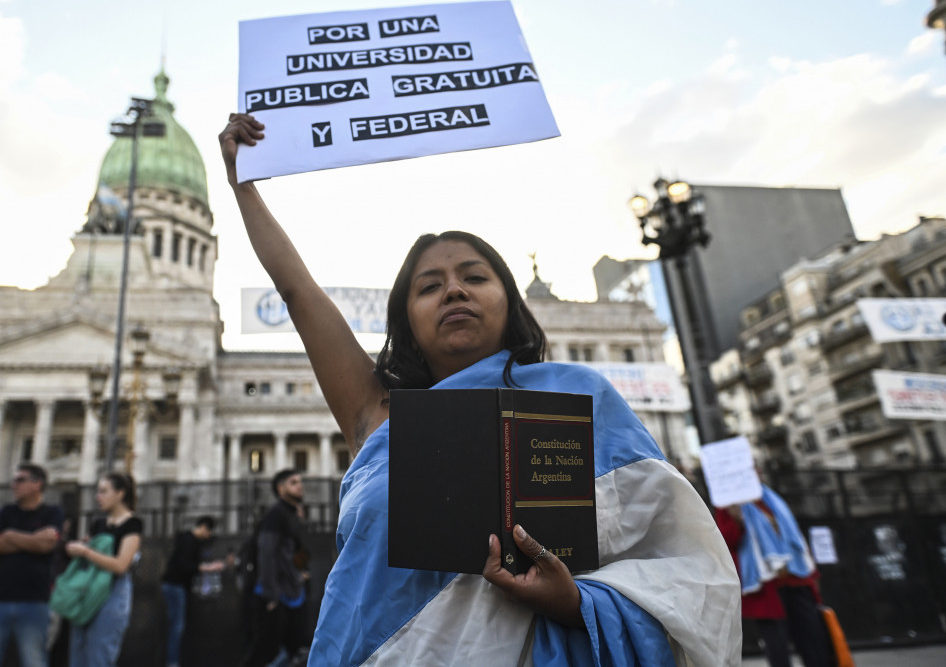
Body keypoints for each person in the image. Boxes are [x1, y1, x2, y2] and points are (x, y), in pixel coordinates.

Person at [219, 113, 741, 666]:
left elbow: (675, 560)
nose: (453, 291)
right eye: (429, 286)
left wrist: (575, 602)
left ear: (508, 302)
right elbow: (297, 291)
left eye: (474, 276)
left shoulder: (577, 397)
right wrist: (243, 184)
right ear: (407, 321)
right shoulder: (379, 417)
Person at [716, 490, 834, 667]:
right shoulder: (728, 503)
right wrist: (737, 519)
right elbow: (727, 542)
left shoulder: (771, 498)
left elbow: (795, 535)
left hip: (798, 579)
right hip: (767, 587)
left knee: (814, 641)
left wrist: (812, 574)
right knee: (778, 648)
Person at [0, 464, 65, 667]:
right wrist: (32, 540)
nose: (13, 485)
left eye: (19, 480)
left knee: (34, 661)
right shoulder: (5, 512)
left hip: (34, 601)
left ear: (37, 484)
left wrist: (10, 535)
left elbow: (47, 545)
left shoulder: (53, 512)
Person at [64, 472, 143, 667]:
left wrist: (86, 552)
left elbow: (120, 565)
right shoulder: (98, 523)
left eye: (103, 491)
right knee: (78, 654)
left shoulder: (133, 524)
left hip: (112, 593)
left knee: (99, 655)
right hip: (86, 592)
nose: (97, 497)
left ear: (119, 494)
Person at [239, 471, 310, 667]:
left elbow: (297, 551)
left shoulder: (291, 515)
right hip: (276, 598)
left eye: (300, 482)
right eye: (293, 482)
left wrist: (301, 572)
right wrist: (271, 597)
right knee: (263, 653)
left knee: (297, 652)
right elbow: (266, 554)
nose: (299, 486)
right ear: (281, 489)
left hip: (291, 596)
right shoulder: (276, 515)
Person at [161, 515, 224, 667]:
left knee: (177, 624)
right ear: (203, 527)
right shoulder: (189, 541)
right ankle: (173, 661)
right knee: (177, 625)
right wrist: (207, 567)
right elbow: (184, 565)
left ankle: (174, 659)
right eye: (209, 532)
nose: (208, 536)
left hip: (175, 585)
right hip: (176, 585)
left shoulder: (188, 540)